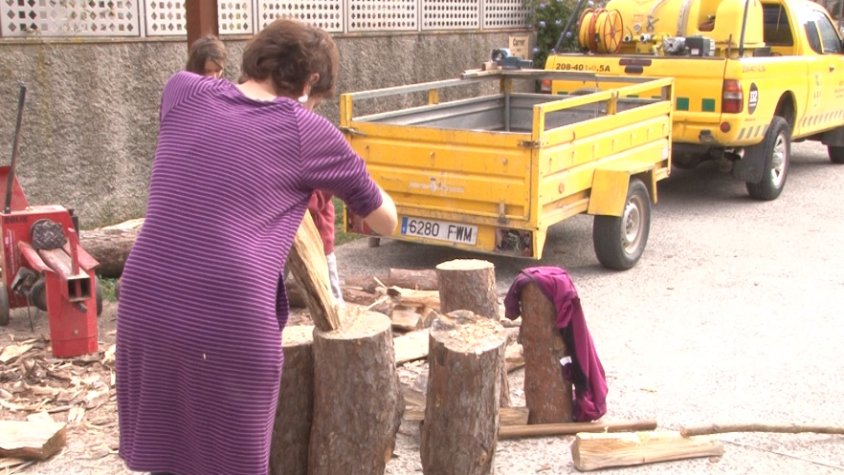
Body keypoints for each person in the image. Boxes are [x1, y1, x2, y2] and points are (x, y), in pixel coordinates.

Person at [115, 18, 397, 475]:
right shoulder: (307, 131)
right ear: (309, 82)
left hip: (147, 304)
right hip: (228, 319)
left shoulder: (182, 91)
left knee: (170, 457)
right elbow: (385, 217)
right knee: (232, 463)